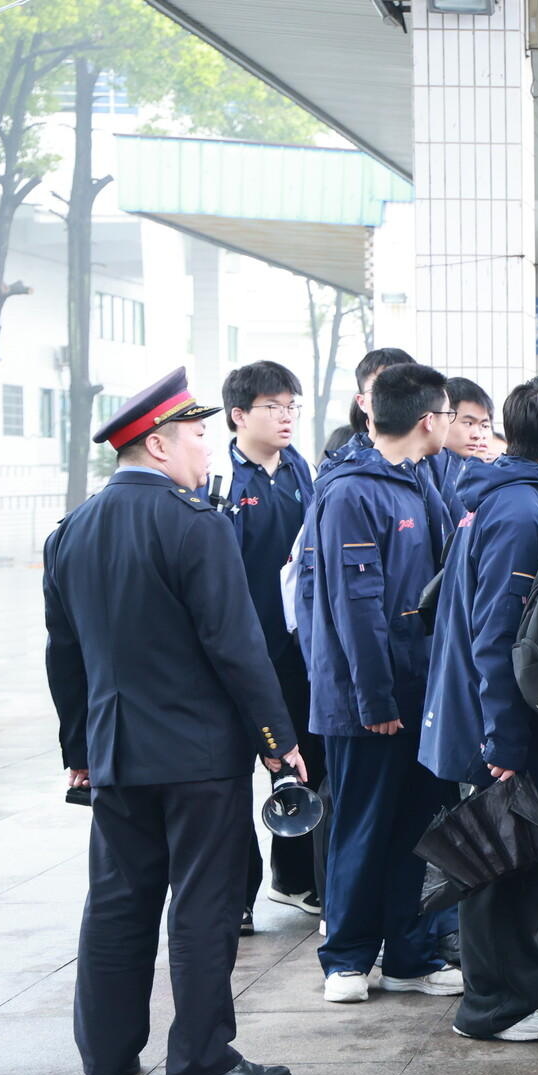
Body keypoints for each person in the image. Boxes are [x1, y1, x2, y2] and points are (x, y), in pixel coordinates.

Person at [45, 367, 301, 1075]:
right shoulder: (196, 525)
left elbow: (65, 658)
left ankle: (106, 1058)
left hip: (117, 754)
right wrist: (276, 739)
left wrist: (80, 754)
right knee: (203, 904)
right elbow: (236, 645)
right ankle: (200, 1058)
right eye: (196, 438)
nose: (206, 453)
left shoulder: (71, 534)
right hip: (198, 759)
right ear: (157, 444)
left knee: (118, 903)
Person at [420, 377, 538, 1043]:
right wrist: (503, 744)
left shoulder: (516, 498)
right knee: (503, 866)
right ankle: (493, 1007)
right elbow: (497, 636)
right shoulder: (521, 511)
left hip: (520, 721)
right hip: (508, 724)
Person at [304, 363, 461, 1005]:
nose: (451, 424)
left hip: (420, 693)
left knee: (414, 828)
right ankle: (345, 956)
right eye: (450, 413)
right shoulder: (351, 492)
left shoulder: (416, 479)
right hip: (370, 701)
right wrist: (375, 700)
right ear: (428, 419)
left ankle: (409, 953)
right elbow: (354, 604)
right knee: (362, 828)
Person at [221, 361, 324, 931]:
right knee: (236, 774)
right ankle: (238, 896)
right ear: (239, 415)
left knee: (299, 761)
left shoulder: (299, 470)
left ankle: (296, 878)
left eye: (292, 405)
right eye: (273, 406)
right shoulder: (222, 479)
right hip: (241, 650)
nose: (286, 416)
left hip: (294, 648)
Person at [429, 376, 493, 520]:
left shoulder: (486, 472)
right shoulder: (426, 466)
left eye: (484, 425)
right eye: (468, 423)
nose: (477, 435)